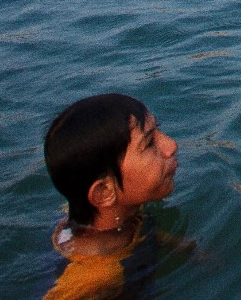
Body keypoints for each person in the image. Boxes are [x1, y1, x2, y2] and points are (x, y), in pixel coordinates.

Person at [42, 94, 181, 300]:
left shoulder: (119, 212)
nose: (171, 146)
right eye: (150, 143)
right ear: (104, 193)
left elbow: (136, 229)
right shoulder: (95, 276)